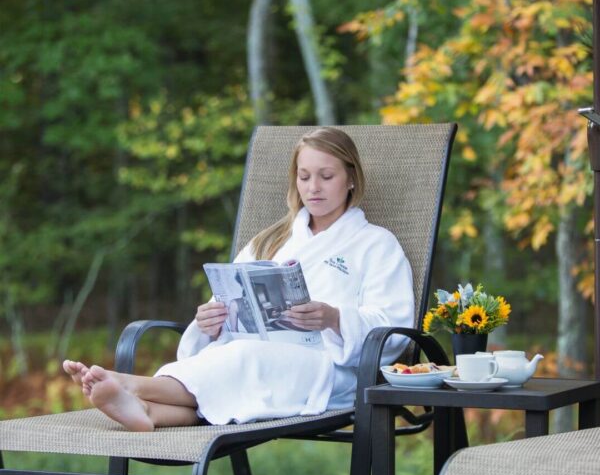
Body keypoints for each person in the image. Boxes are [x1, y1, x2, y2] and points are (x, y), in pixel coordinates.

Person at [64, 127, 414, 431]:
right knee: (241, 360)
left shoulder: (376, 244)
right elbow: (229, 298)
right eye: (304, 176)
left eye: (327, 176)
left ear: (351, 178)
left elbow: (393, 328)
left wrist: (335, 318)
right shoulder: (270, 240)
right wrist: (209, 322)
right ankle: (147, 411)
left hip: (329, 370)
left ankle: (131, 385)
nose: (314, 187)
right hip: (255, 361)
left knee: (247, 358)